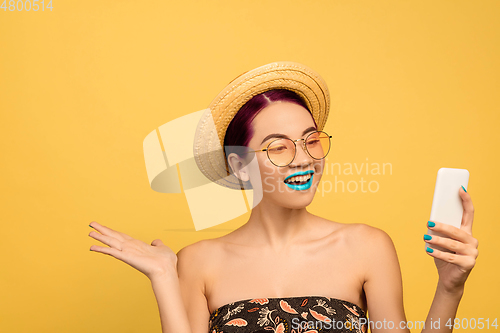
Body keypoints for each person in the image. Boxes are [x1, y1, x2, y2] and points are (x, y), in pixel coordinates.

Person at [88, 62, 478, 333]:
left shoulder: (367, 246)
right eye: (278, 148)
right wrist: (163, 278)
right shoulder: (198, 262)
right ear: (240, 165)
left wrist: (449, 288)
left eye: (310, 141)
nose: (304, 159)